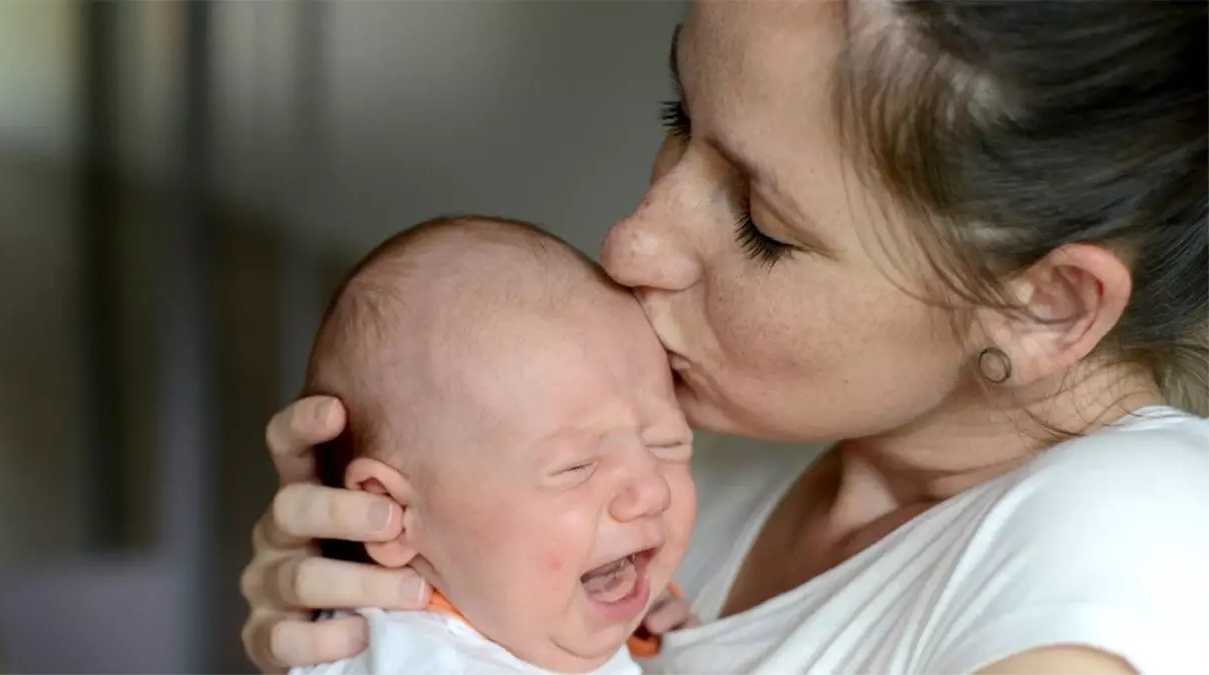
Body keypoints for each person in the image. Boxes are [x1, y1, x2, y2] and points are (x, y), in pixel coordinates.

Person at [240, 1, 1209, 674]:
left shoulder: (1131, 539)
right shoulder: (716, 463)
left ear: (1045, 306)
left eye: (762, 223)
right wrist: (408, 624)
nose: (635, 240)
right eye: (681, 117)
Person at [291, 215, 695, 674]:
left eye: (669, 443)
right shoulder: (407, 660)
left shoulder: (509, 617)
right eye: (576, 466)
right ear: (394, 516)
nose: (653, 491)